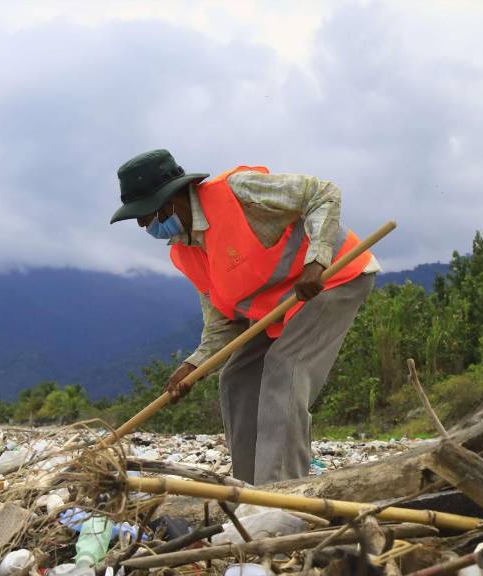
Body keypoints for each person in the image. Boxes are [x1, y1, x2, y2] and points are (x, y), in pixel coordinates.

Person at [111, 149, 379, 485]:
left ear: (171, 200)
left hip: (333, 279)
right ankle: (249, 491)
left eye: (145, 215)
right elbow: (225, 321)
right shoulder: (186, 251)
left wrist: (318, 261)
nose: (142, 224)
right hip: (280, 308)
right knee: (236, 377)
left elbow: (322, 193)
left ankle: (281, 495)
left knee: (285, 370)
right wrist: (194, 366)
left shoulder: (238, 191)